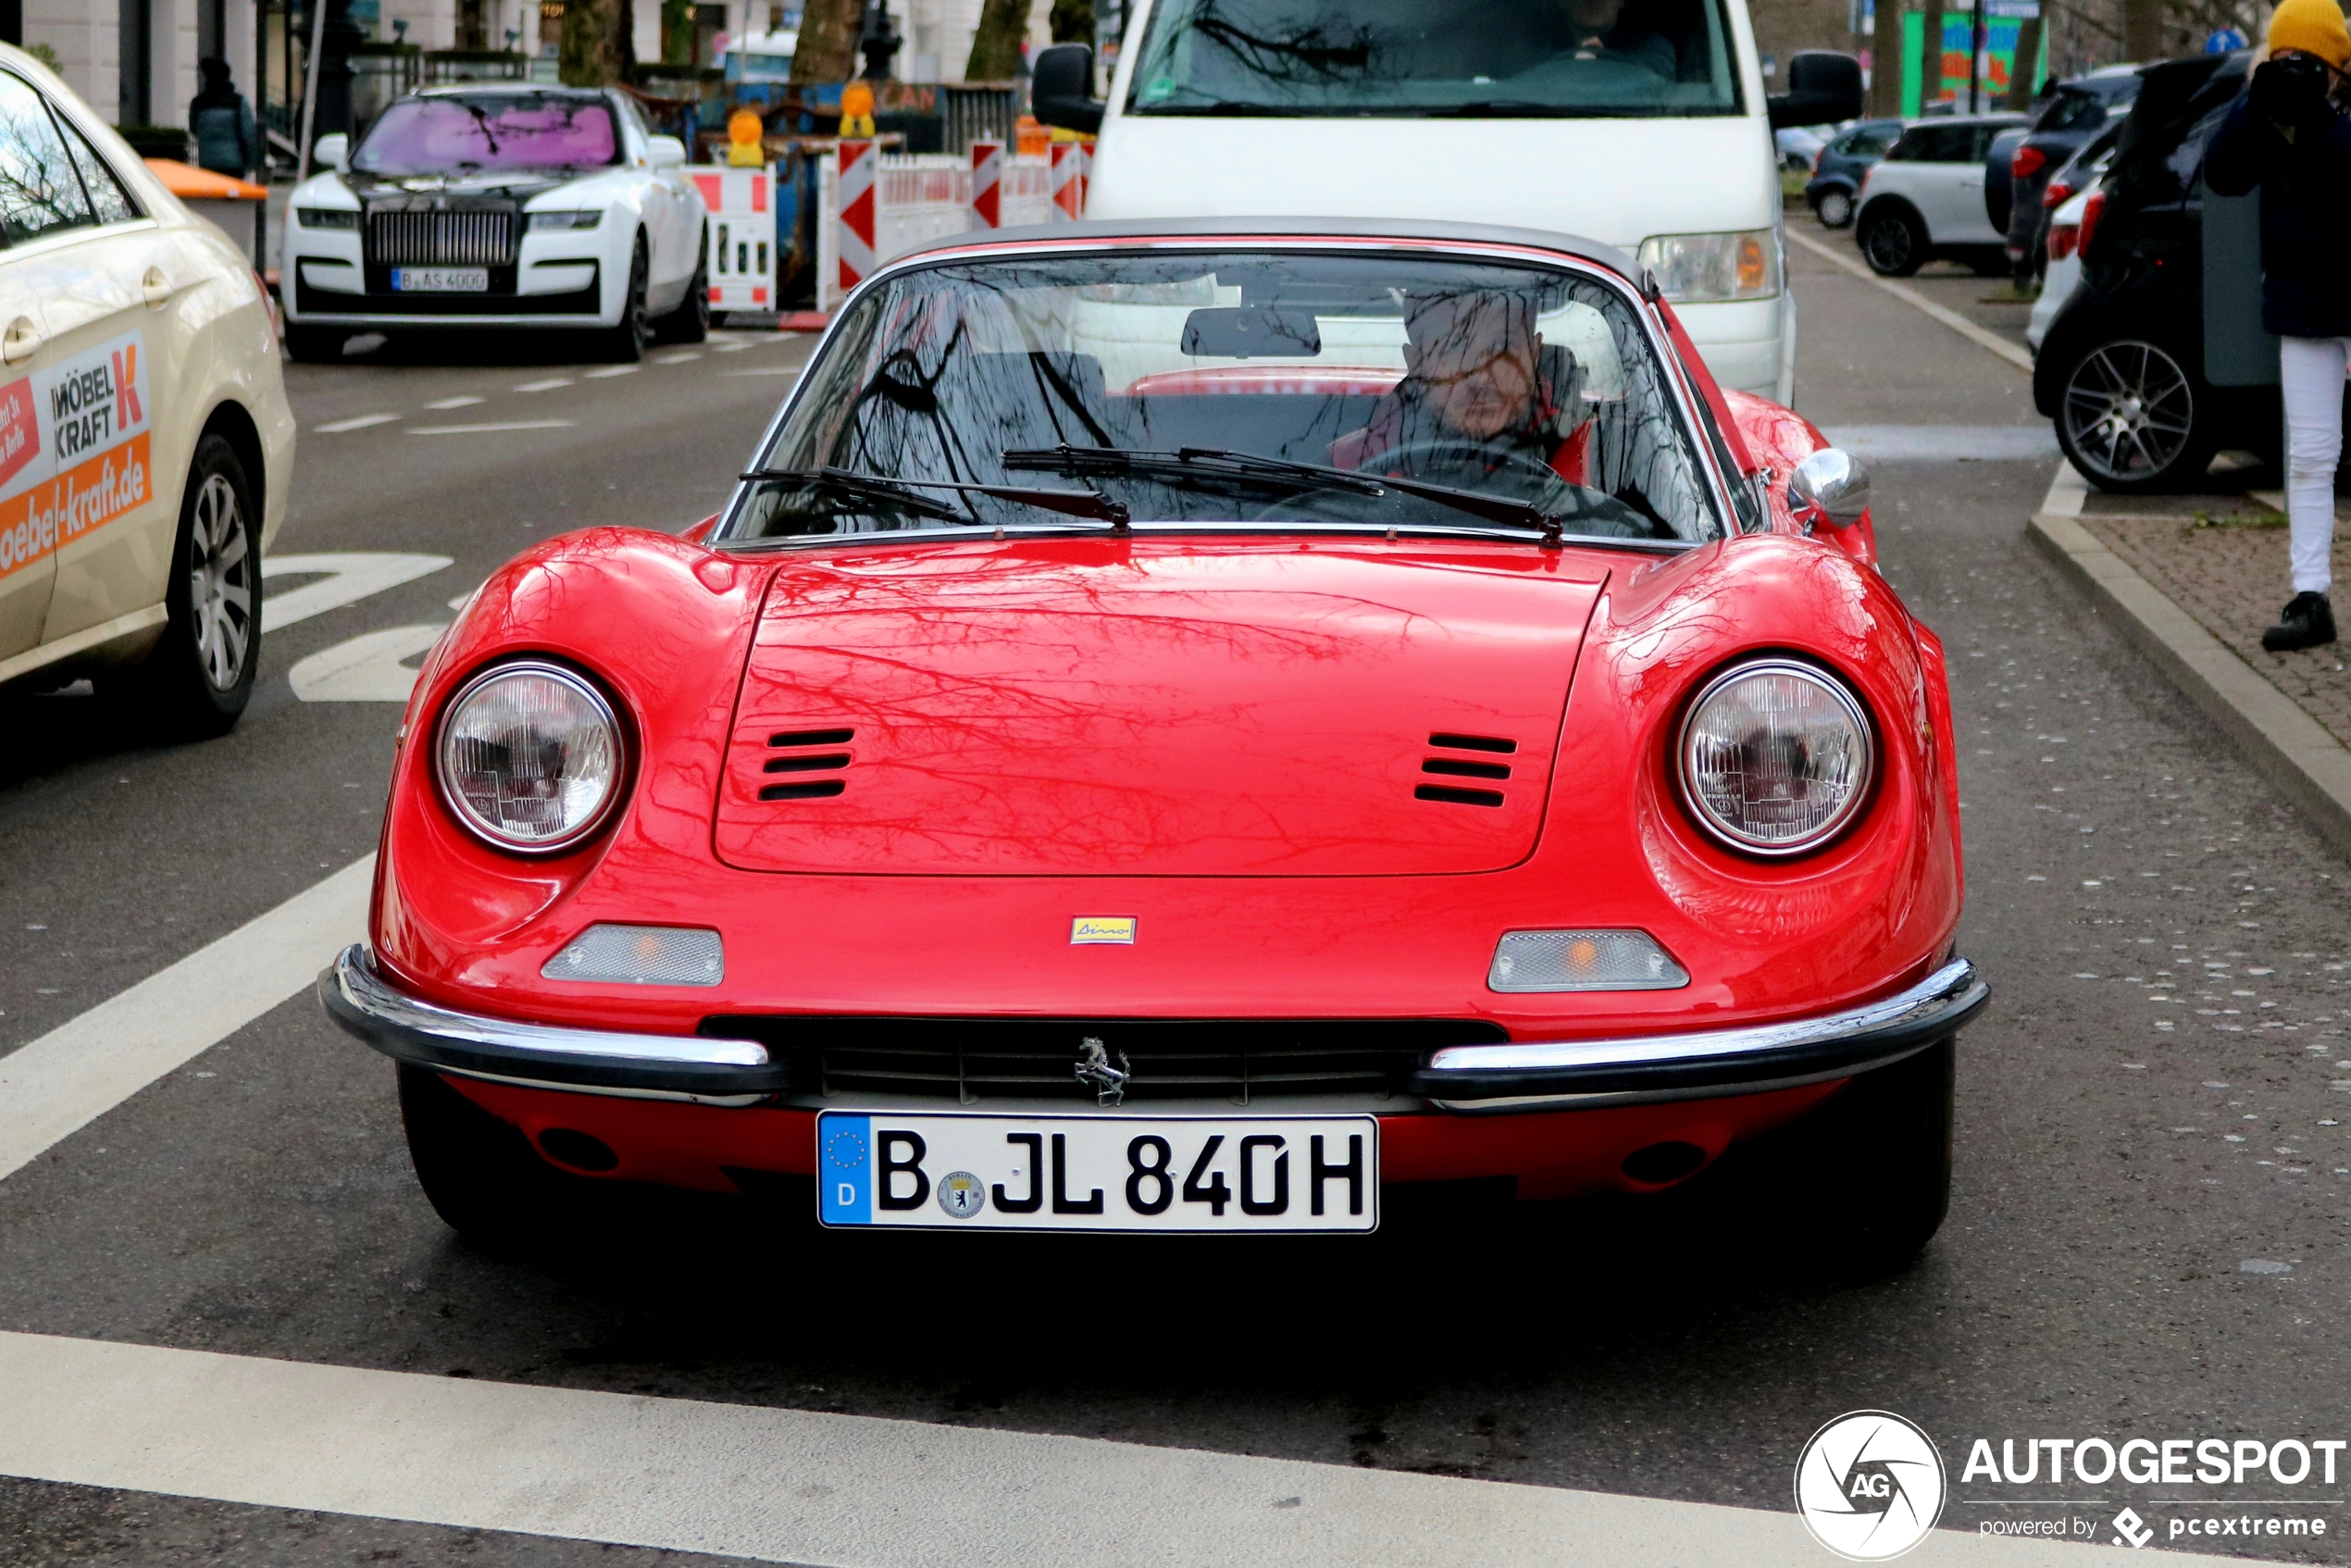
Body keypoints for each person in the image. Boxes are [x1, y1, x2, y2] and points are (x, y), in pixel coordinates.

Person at [2206, 0, 2351, 652]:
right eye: (2282, 58)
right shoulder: (2270, 115)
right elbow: (2223, 174)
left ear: (2332, 67)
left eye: (2305, 62)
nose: (2291, 71)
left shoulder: (2338, 119)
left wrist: (2315, 113)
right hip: (2302, 307)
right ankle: (2310, 596)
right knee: (2311, 457)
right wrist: (2254, 104)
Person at [1330, 289, 1587, 492]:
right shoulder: (1347, 466)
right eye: (1455, 347)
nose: (1482, 377)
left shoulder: (1591, 460)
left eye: (1503, 347)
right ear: (1416, 362)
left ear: (1534, 353)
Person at [188, 57, 257, 180]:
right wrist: (251, 162)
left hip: (207, 162)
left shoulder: (198, 103)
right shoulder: (238, 102)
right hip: (234, 163)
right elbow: (248, 134)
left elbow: (194, 129)